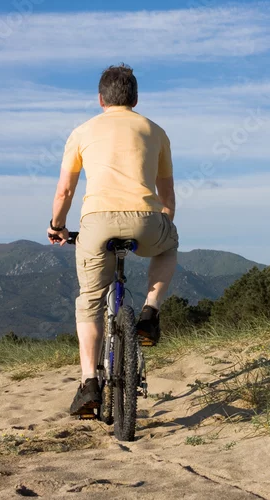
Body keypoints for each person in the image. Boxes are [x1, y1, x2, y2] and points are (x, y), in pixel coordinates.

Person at [47, 64, 178, 416]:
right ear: (135, 98)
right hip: (146, 219)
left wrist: (57, 226)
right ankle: (149, 312)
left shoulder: (82, 131)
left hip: (96, 223)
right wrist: (162, 223)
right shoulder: (155, 130)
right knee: (169, 246)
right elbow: (167, 194)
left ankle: (90, 381)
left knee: (89, 300)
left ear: (101, 99)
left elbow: (65, 191)